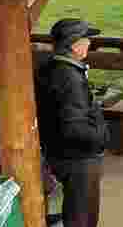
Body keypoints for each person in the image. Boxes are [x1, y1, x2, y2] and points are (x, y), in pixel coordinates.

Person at [35, 19, 109, 227]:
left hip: (58, 149)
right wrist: (100, 138)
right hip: (77, 158)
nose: (89, 43)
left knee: (78, 210)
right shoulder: (69, 78)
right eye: (86, 39)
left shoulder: (51, 66)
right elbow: (74, 127)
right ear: (74, 45)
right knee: (83, 214)